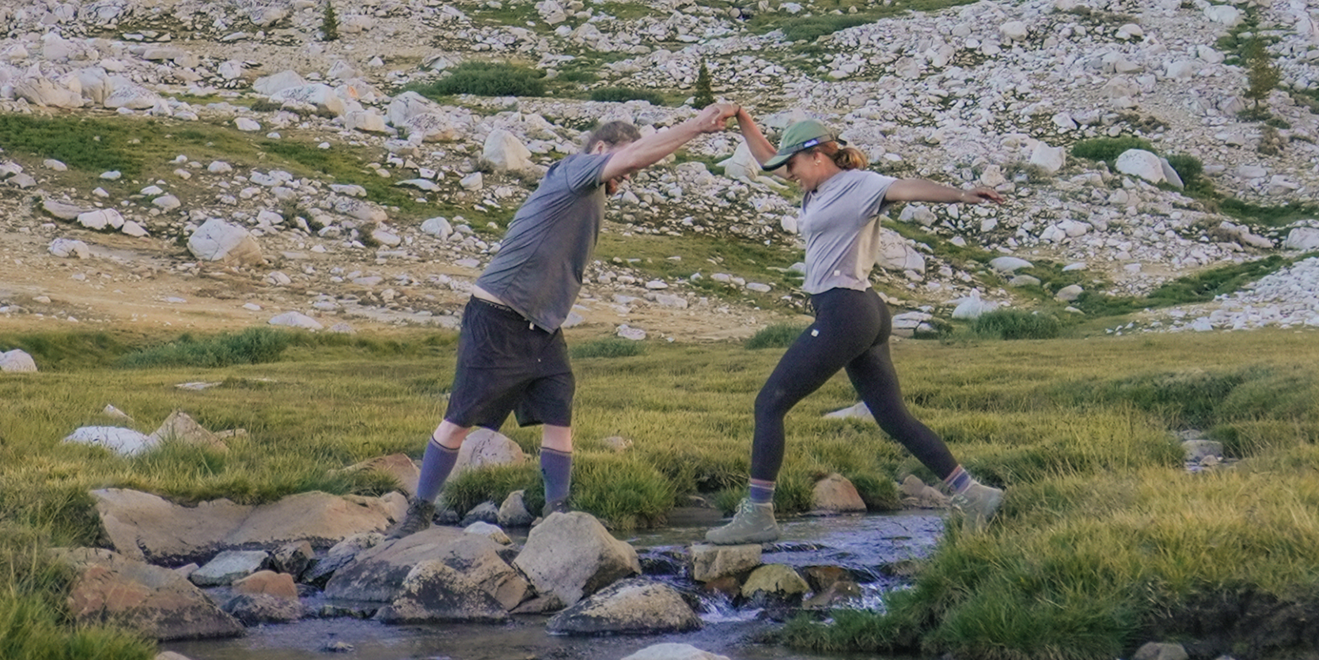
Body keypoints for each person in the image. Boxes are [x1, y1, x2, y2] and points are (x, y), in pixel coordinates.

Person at [392, 101, 741, 537]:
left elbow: (633, 158)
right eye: (623, 160)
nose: (629, 173)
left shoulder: (592, 189)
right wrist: (697, 126)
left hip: (542, 326)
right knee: (460, 418)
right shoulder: (575, 170)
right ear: (600, 148)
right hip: (498, 313)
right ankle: (417, 514)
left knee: (559, 411)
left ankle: (558, 514)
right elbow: (633, 155)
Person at [706, 111, 1008, 545]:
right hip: (861, 310)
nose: (786, 174)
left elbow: (905, 188)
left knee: (769, 404)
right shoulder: (817, 186)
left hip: (846, 311)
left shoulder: (858, 184)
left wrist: (961, 195)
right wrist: (741, 118)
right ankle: (972, 494)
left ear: (814, 157)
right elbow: (768, 155)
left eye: (792, 166)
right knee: (893, 416)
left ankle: (758, 515)